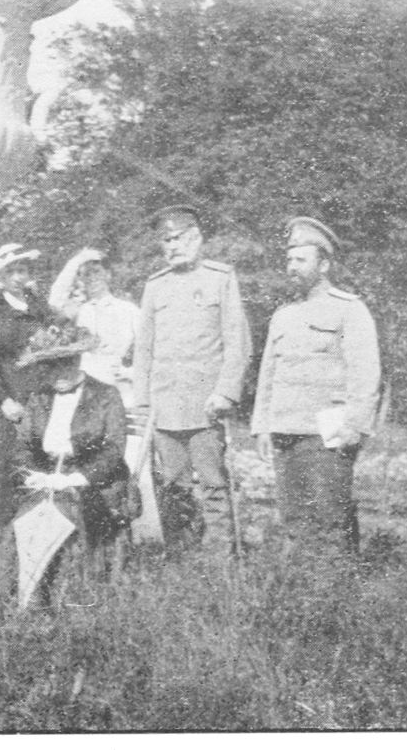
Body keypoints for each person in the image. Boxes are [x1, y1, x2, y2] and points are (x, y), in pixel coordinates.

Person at [251, 217, 381, 555]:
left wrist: (355, 425)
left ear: (323, 265)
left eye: (301, 260)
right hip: (285, 430)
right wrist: (262, 426)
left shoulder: (350, 309)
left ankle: (334, 585)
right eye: (289, 260)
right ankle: (298, 583)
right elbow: (268, 375)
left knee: (329, 519)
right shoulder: (283, 315)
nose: (292, 267)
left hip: (327, 433)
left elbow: (366, 373)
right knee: (293, 518)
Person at [133, 204, 251, 552]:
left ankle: (219, 555)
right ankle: (181, 553)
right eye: (166, 241)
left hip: (206, 404)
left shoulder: (220, 278)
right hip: (165, 404)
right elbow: (144, 348)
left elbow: (238, 342)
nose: (172, 246)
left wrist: (225, 393)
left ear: (197, 239)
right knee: (173, 484)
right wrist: (143, 401)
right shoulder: (155, 286)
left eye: (179, 238)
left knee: (213, 483)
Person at [12, 323, 131, 609]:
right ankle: (30, 592)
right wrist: (32, 475)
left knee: (62, 511)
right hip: (47, 477)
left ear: (77, 360)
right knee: (26, 518)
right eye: (49, 368)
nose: (57, 375)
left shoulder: (105, 395)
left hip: (95, 481)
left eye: (64, 365)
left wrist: (73, 478)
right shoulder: (40, 397)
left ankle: (68, 593)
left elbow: (114, 450)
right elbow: (24, 445)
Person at [0, 243, 53, 526]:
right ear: (1, 276)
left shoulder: (38, 305)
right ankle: (5, 530)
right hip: (3, 399)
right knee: (5, 464)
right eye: (11, 272)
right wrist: (4, 398)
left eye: (23, 271)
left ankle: (39, 528)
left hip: (38, 396)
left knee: (38, 461)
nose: (18, 277)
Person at [48, 248, 140, 406]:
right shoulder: (78, 311)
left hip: (118, 388)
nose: (91, 278)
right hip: (84, 392)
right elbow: (54, 301)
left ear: (108, 275)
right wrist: (76, 261)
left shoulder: (128, 310)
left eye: (96, 272)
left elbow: (150, 349)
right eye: (86, 274)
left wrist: (129, 372)